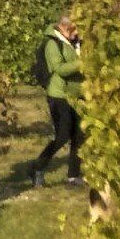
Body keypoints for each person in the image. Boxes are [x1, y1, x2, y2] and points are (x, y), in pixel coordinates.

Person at [28, 15, 86, 188]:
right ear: (64, 28)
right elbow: (59, 68)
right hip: (59, 94)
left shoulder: (74, 43)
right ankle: (37, 167)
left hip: (76, 95)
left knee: (79, 135)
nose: (77, 33)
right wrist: (81, 63)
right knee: (62, 135)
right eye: (75, 29)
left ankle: (73, 175)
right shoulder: (53, 43)